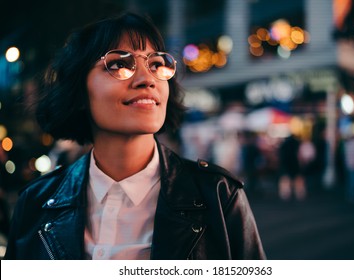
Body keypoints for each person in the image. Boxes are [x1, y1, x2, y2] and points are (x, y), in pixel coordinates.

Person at [5, 12, 265, 260]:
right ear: (80, 91)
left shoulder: (219, 196)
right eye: (119, 64)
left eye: (156, 64)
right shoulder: (36, 203)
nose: (147, 79)